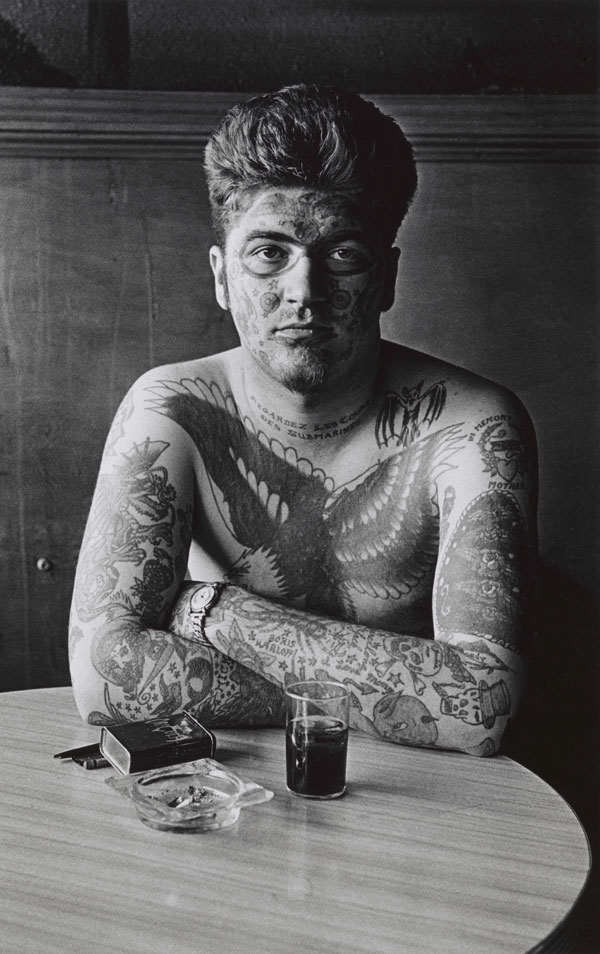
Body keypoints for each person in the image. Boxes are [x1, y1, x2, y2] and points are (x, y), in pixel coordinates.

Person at [69, 84, 537, 756]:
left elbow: (483, 707)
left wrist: (211, 612)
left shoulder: (471, 429)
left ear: (387, 278)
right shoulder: (171, 410)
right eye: (269, 253)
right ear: (222, 276)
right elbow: (102, 680)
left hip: (428, 802)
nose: (304, 292)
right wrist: (380, 696)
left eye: (343, 254)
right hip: (237, 792)